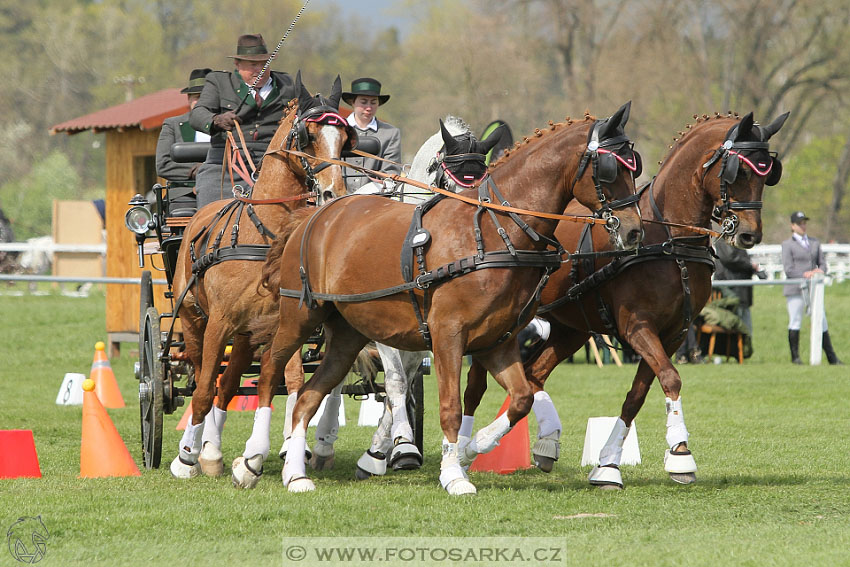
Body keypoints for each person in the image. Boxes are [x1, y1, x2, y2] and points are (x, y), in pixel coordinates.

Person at [190, 34, 297, 208]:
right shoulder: (218, 82)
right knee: (208, 201)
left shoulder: (287, 85)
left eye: (264, 64)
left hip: (274, 164)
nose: (260, 70)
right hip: (224, 165)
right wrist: (216, 120)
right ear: (237, 64)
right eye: (253, 65)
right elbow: (197, 115)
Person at [781, 211, 843, 365]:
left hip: (814, 289)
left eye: (804, 223)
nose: (803, 226)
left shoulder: (815, 243)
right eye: (800, 223)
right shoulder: (787, 245)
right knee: (795, 320)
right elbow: (788, 269)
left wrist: (819, 271)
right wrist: (805, 274)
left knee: (821, 320)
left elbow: (822, 263)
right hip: (795, 288)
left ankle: (831, 357)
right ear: (793, 226)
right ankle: (795, 357)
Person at [340, 78, 402, 194]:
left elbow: (391, 172)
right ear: (352, 102)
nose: (369, 108)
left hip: (374, 200)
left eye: (373, 102)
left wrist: (367, 192)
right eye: (363, 102)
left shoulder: (391, 133)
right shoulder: (337, 130)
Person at [155, 68, 212, 182]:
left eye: (206, 97)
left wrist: (210, 169)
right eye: (197, 97)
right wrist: (198, 171)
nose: (202, 102)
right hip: (184, 192)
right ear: (189, 99)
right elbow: (163, 165)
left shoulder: (228, 125)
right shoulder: (172, 125)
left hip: (222, 190)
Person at [714, 238, 766, 335]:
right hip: (731, 290)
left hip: (740, 290)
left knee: (744, 324)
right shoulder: (723, 241)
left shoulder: (736, 239)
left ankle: (743, 343)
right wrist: (750, 265)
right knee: (736, 325)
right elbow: (730, 258)